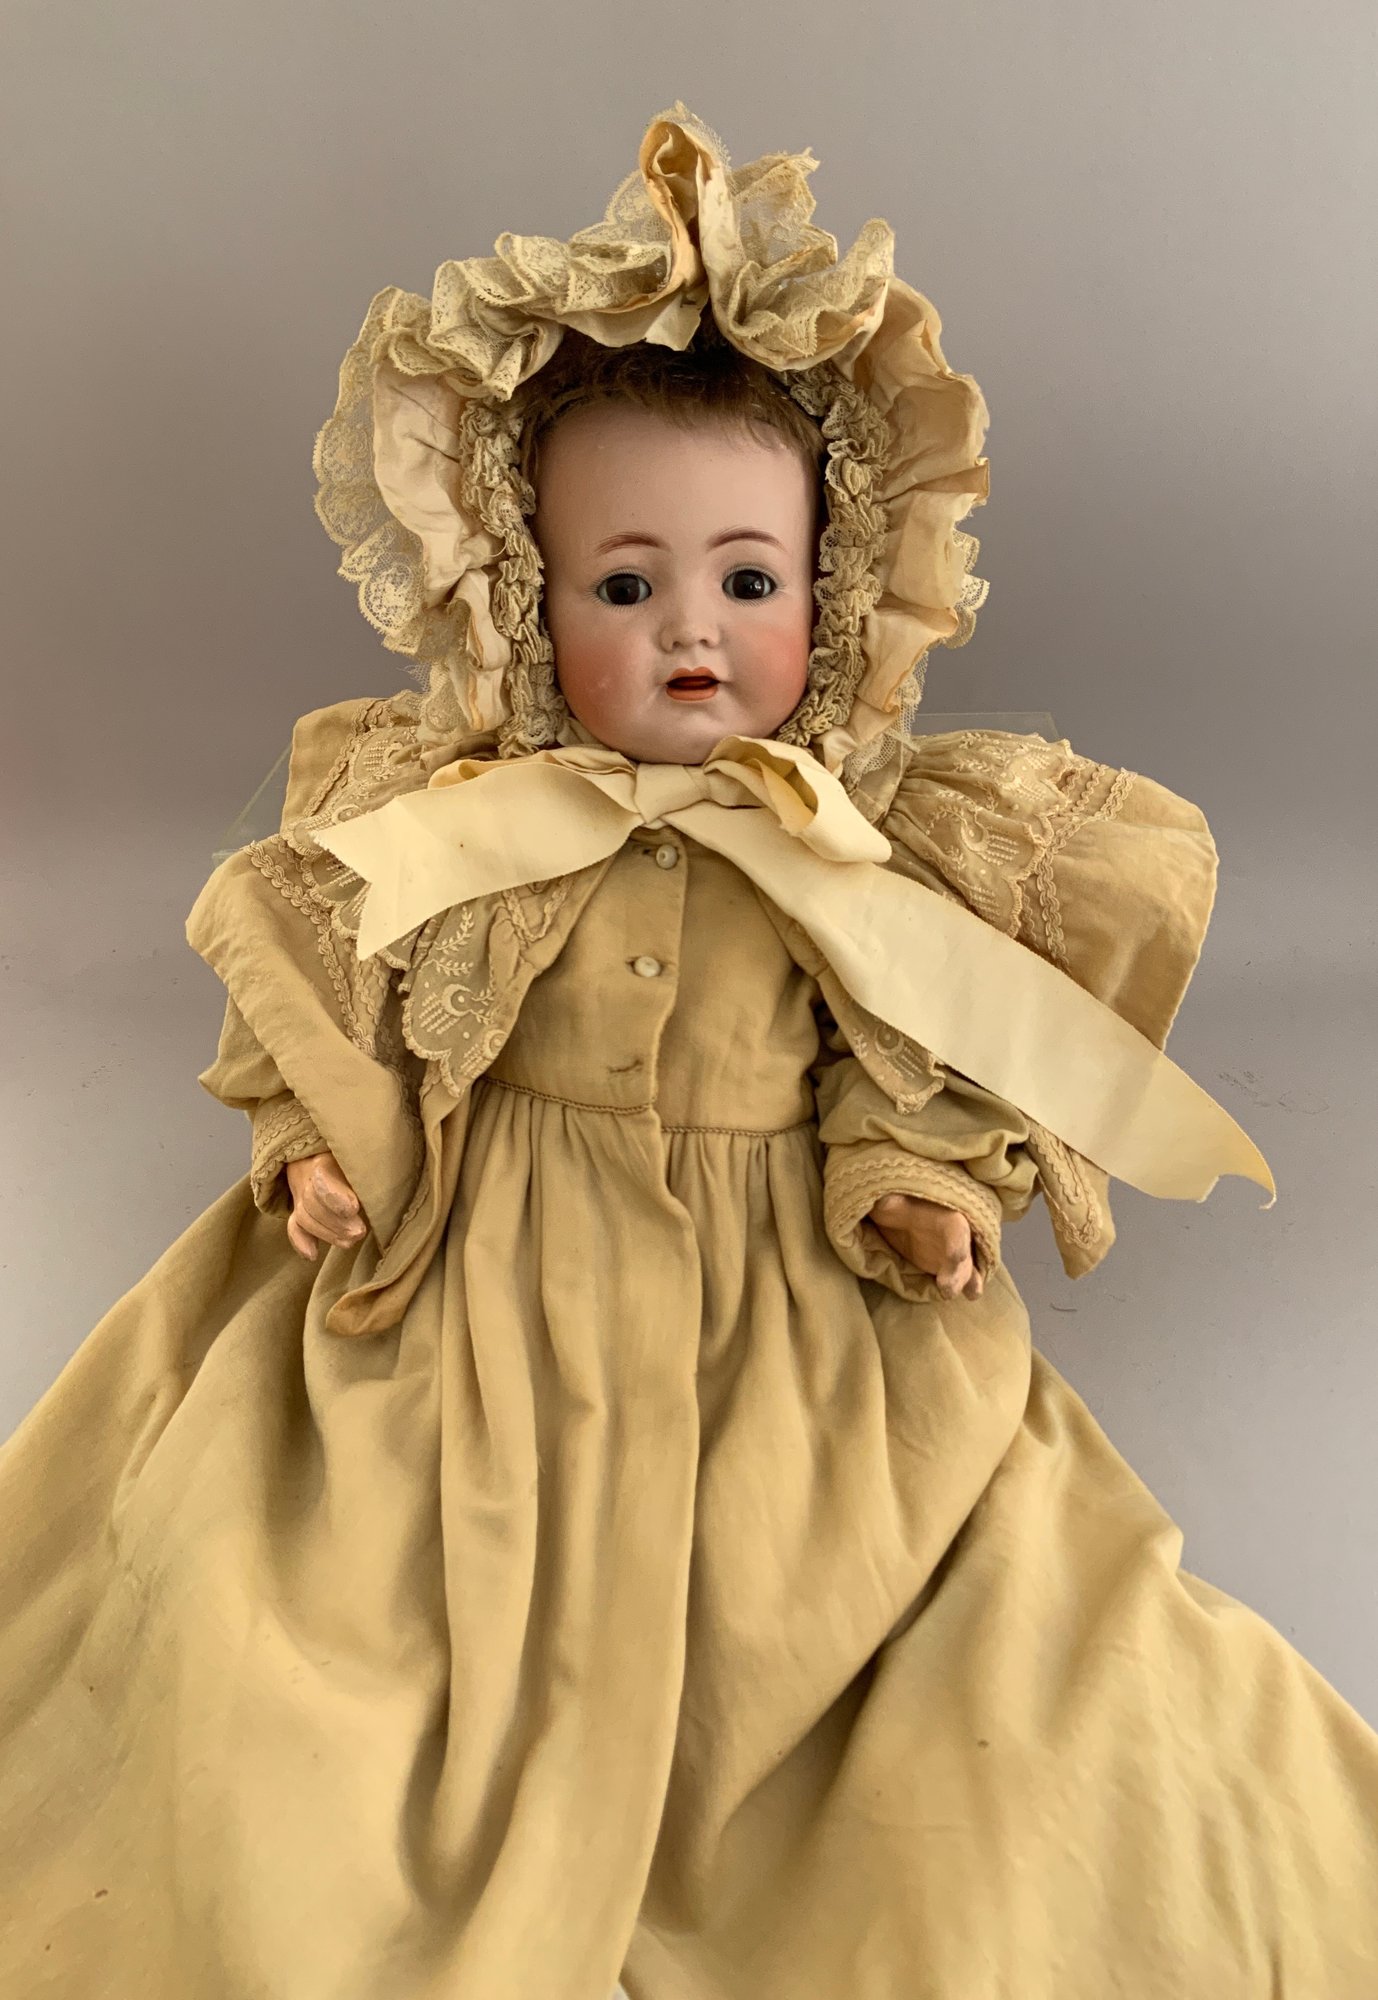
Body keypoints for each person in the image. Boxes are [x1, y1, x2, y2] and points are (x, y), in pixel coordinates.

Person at [2, 102, 1375, 2000]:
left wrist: (902, 1181)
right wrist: (319, 1147)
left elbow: (897, 1045)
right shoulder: (458, 821)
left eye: (746, 580)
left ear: (833, 580)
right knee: (298, 1626)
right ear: (519, 591)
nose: (691, 635)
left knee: (896, 1637)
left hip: (774, 1316)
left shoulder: (853, 848)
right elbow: (339, 988)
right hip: (482, 1264)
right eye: (623, 587)